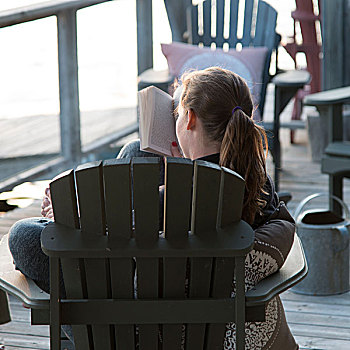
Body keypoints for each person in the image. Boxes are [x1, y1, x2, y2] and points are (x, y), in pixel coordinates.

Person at [8, 67, 297, 349]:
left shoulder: (172, 201)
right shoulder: (255, 181)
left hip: (140, 326)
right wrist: (185, 162)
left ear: (190, 120)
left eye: (178, 113)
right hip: (195, 289)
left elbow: (110, 232)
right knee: (137, 151)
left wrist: (63, 219)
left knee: (23, 235)